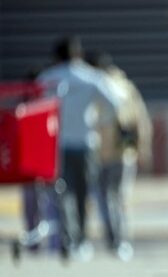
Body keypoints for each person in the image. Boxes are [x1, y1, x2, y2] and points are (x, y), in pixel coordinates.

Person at [37, 36, 124, 258]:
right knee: (84, 195)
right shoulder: (91, 77)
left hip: (58, 144)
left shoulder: (48, 78)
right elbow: (114, 103)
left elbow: (34, 107)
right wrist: (98, 121)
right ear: (78, 53)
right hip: (86, 143)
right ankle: (82, 240)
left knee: (63, 193)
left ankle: (69, 239)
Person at [86, 51, 153, 260]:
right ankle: (121, 239)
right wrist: (143, 147)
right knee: (120, 197)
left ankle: (115, 239)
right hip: (126, 150)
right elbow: (140, 118)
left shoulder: (97, 86)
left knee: (105, 197)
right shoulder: (125, 85)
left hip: (102, 151)